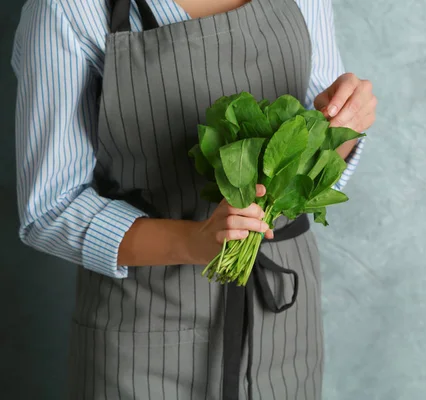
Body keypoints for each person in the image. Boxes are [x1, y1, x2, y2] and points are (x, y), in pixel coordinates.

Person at [11, 0, 376, 398]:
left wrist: (344, 126)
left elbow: (314, 144)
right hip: (144, 327)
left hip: (284, 317)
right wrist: (195, 240)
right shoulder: (69, 8)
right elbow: (50, 207)